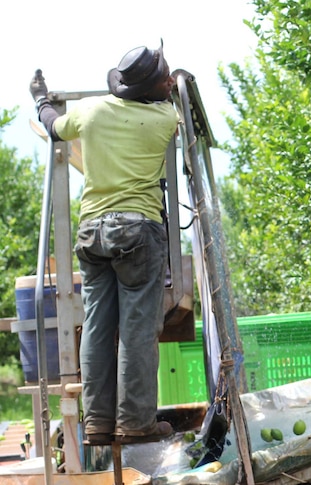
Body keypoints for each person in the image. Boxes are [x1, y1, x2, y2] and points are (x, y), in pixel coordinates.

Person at [29, 41, 179, 446]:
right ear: (154, 90)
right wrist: (173, 81)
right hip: (138, 232)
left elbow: (52, 125)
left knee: (96, 327)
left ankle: (96, 423)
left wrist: (41, 99)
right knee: (137, 330)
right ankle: (135, 423)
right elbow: (172, 92)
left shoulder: (91, 111)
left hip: (92, 231)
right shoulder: (166, 118)